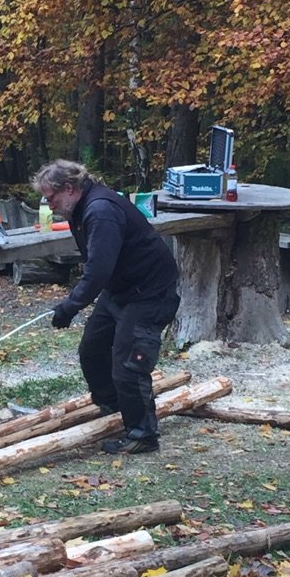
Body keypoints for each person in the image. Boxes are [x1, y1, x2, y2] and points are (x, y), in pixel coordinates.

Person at [32, 160, 180, 456]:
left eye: (51, 198)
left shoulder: (100, 211)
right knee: (92, 350)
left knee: (128, 363)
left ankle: (142, 434)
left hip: (149, 292)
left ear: (69, 189)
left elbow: (98, 270)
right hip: (121, 289)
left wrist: (70, 306)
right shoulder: (81, 208)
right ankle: (115, 410)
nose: (49, 205)